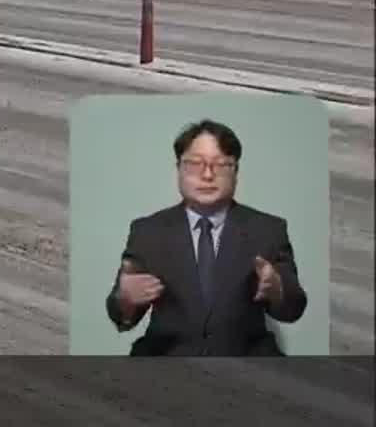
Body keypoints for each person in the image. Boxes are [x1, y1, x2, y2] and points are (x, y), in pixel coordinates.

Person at [106, 118, 307, 355]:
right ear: (179, 169)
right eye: (194, 164)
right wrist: (126, 297)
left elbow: (294, 307)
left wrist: (277, 290)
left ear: (236, 172)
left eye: (221, 165)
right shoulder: (148, 231)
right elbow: (121, 315)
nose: (208, 174)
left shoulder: (267, 229)